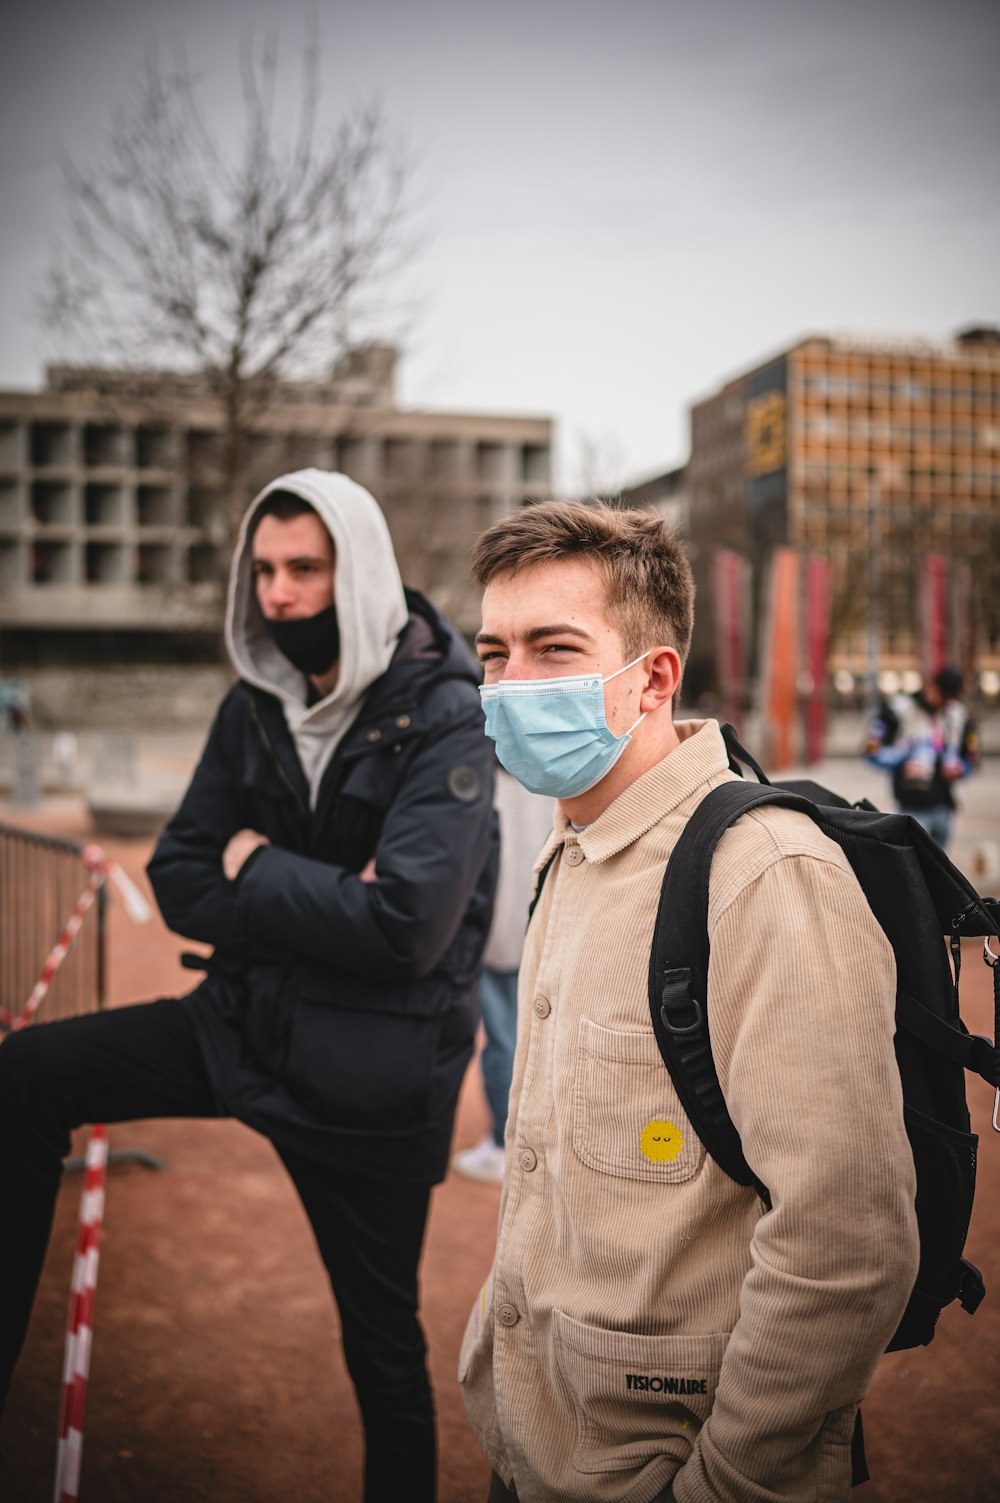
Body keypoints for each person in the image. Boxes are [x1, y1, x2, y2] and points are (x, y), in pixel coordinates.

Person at [0, 469, 498, 1503]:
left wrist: (254, 863)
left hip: (373, 1071)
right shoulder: (252, 702)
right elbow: (179, 874)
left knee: (382, 1349)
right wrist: (307, 896)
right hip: (242, 1022)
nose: (276, 594)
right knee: (27, 1074)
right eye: (263, 570)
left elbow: (405, 928)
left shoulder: (449, 717)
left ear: (356, 575)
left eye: (303, 570)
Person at [458, 501, 918, 1503]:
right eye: (493, 654)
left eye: (554, 649)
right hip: (536, 1443)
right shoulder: (568, 851)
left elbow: (845, 1248)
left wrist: (724, 1483)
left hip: (670, 1473)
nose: (508, 686)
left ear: (653, 677)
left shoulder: (763, 878)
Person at [452, 764, 554, 1185]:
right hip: (541, 923)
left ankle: (503, 1143)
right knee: (536, 1039)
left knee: (503, 1042)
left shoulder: (483, 782)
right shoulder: (553, 779)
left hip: (495, 931)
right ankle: (529, 1142)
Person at [865, 665, 979, 850]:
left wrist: (961, 769)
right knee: (914, 868)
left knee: (938, 871)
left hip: (945, 805)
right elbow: (870, 750)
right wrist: (902, 762)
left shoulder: (958, 715)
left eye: (950, 698)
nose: (944, 703)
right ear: (930, 685)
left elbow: (971, 756)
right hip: (912, 804)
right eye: (942, 695)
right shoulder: (899, 709)